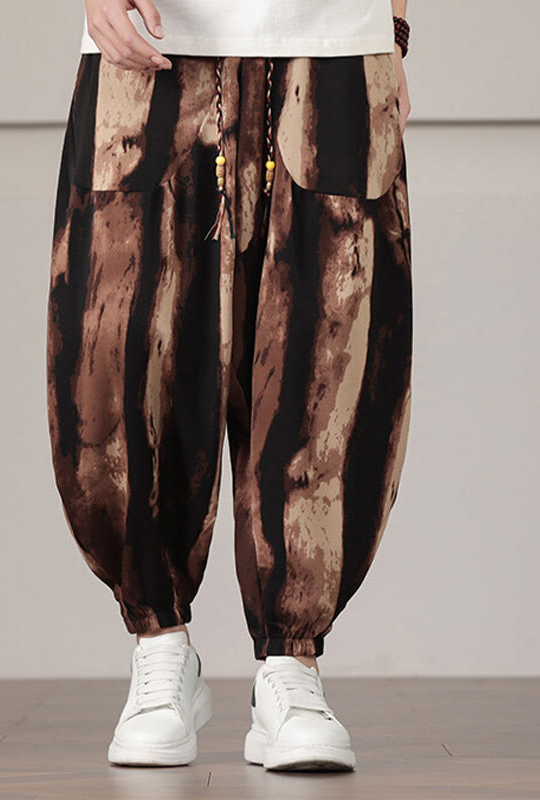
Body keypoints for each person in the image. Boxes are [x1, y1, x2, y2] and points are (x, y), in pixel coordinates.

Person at [46, 0, 413, 772]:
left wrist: (395, 30)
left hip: (333, 34)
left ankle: (291, 667)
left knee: (325, 357)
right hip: (152, 39)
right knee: (117, 360)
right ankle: (160, 652)